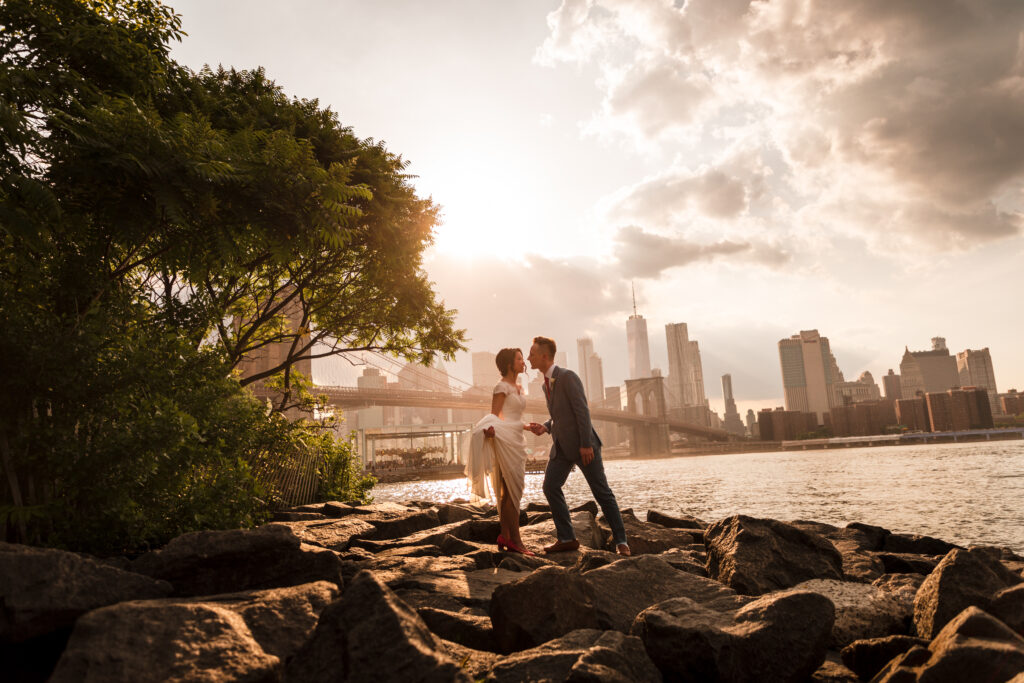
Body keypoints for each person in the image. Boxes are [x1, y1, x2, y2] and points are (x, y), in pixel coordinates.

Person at [526, 336, 631, 556]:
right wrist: (546, 427)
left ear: (544, 356)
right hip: (561, 448)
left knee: (601, 492)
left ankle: (621, 542)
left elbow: (582, 410)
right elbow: (560, 415)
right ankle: (567, 538)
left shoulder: (568, 377)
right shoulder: (546, 385)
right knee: (550, 487)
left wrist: (585, 444)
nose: (528, 358)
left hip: (585, 448)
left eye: (532, 354)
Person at [464, 347, 535, 555]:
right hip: (505, 441)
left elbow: (512, 418)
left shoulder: (519, 387)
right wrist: (489, 431)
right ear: (509, 364)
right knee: (513, 492)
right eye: (519, 359)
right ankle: (517, 541)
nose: (523, 362)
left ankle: (505, 536)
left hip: (517, 439)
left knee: (509, 491)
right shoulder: (501, 386)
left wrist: (528, 427)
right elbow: (495, 416)